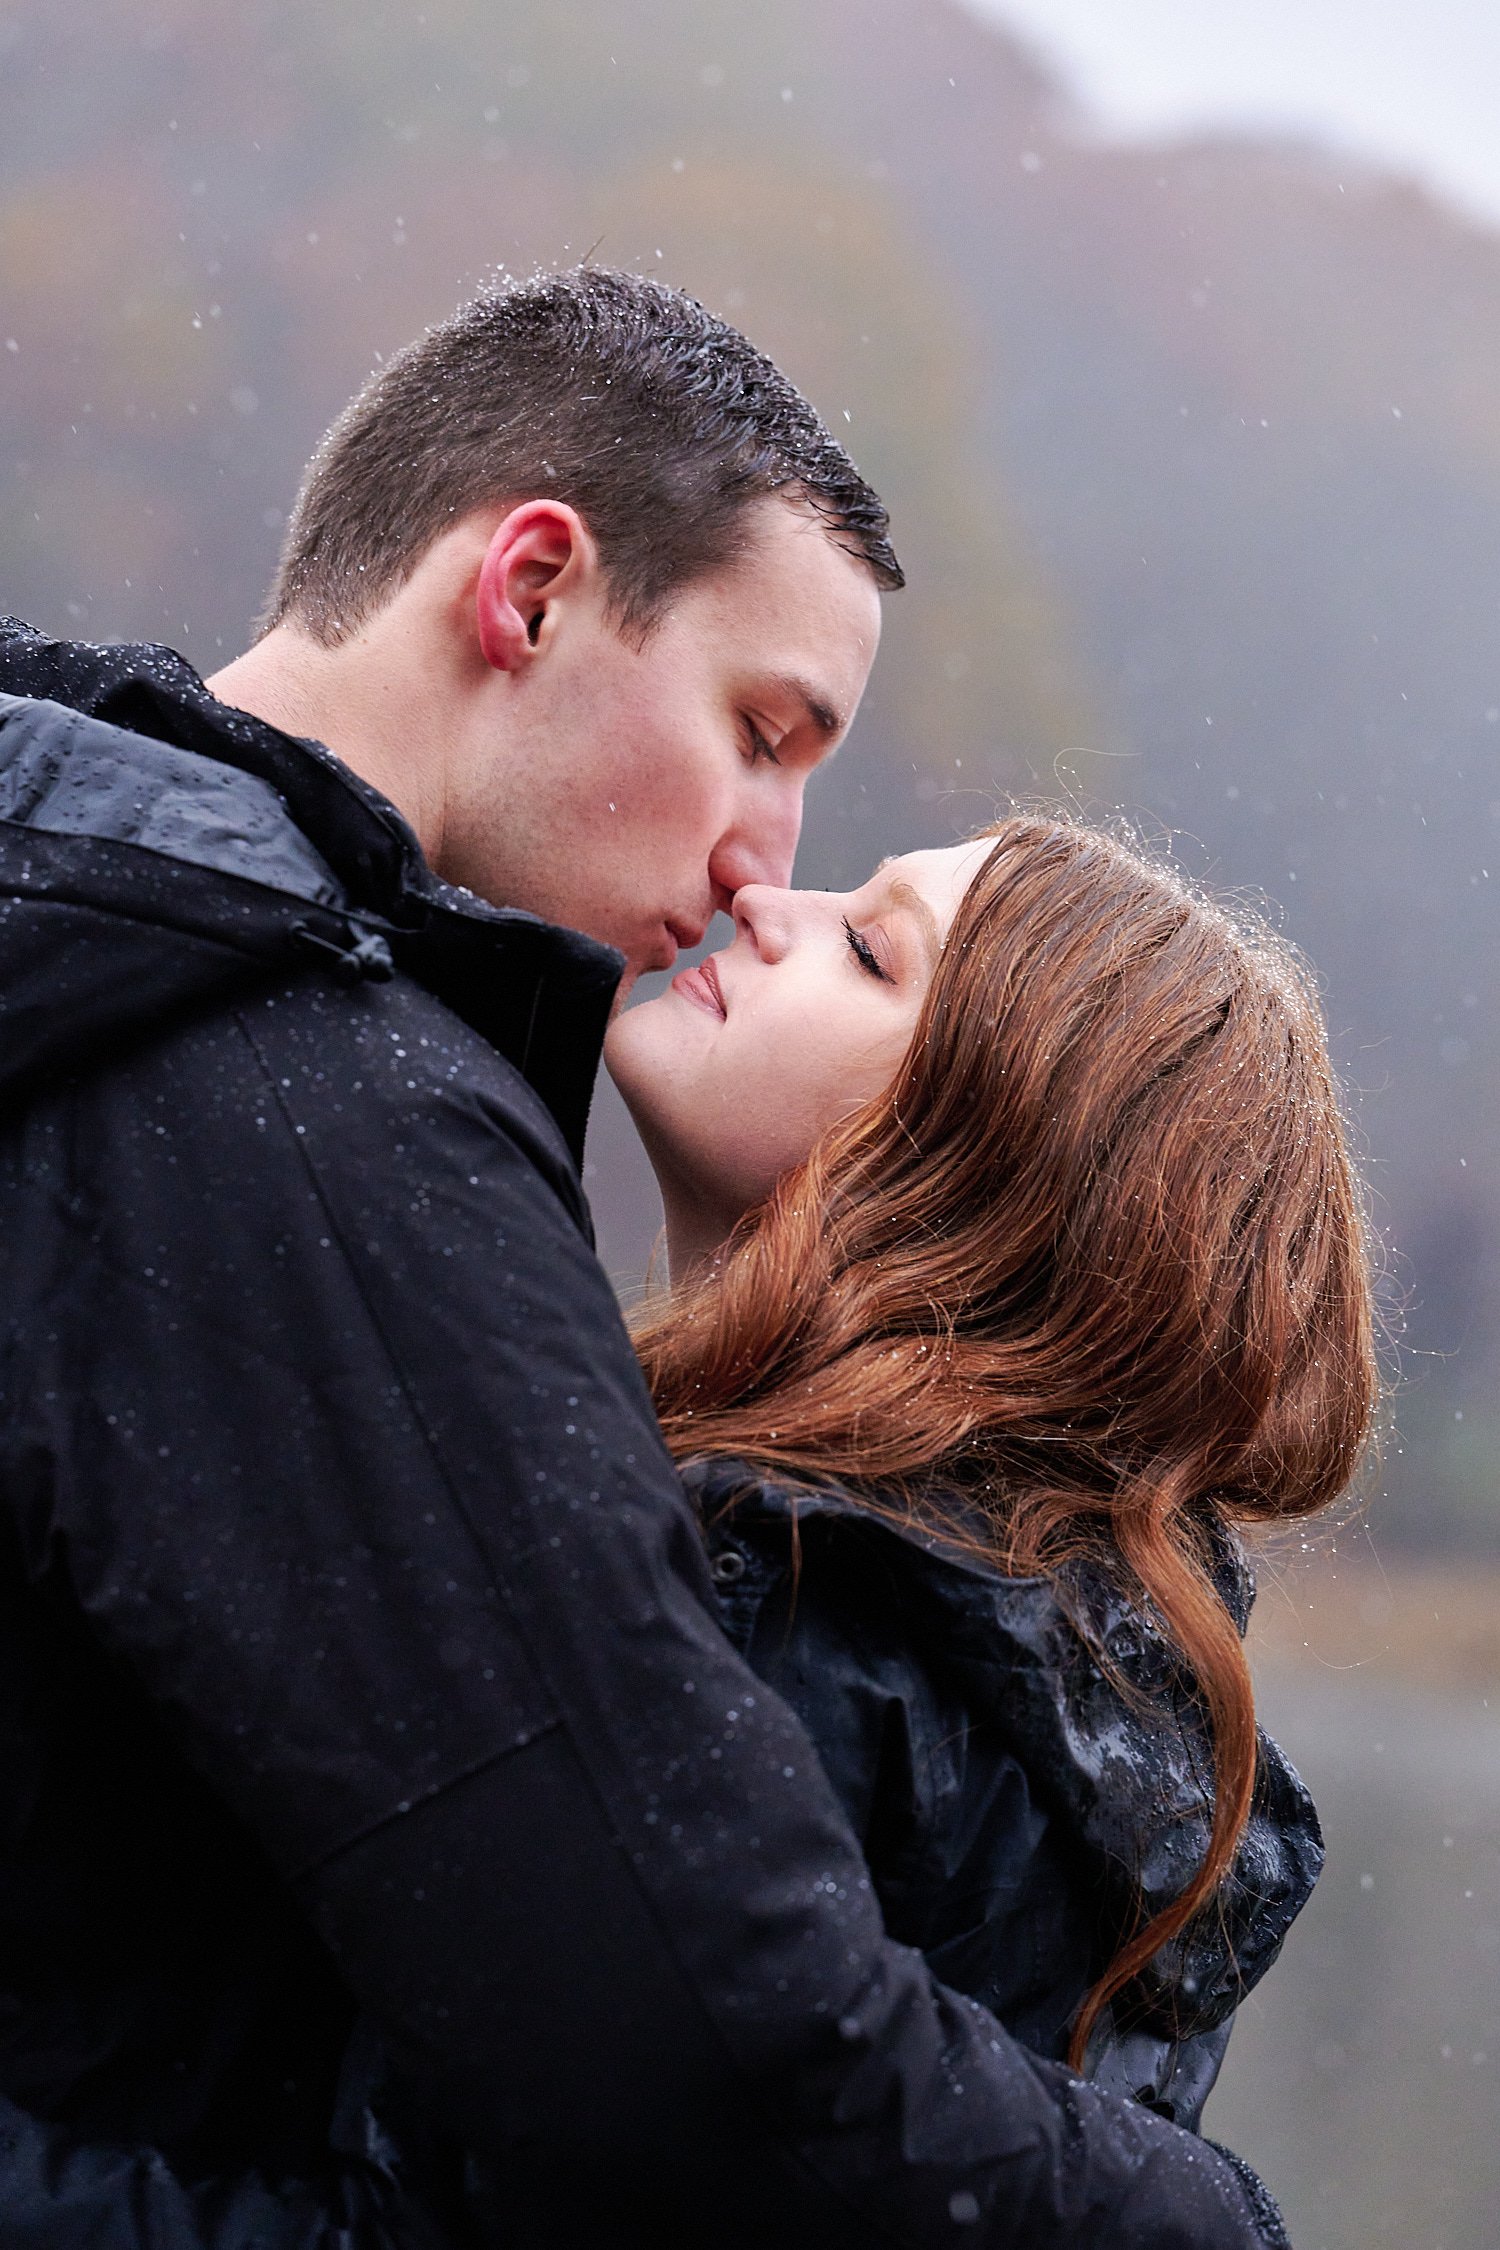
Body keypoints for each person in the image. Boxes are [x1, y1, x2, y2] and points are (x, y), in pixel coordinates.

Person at [0, 267, 1293, 2247]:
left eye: (865, 925)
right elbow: (712, 2071)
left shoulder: (88, 900)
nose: (764, 868)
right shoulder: (328, 1115)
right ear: (524, 593)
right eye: (761, 731)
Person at [609, 815, 1376, 2135]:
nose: (769, 904)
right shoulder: (1042, 1692)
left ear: (974, 1192)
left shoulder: (784, 1620)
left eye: (867, 951)